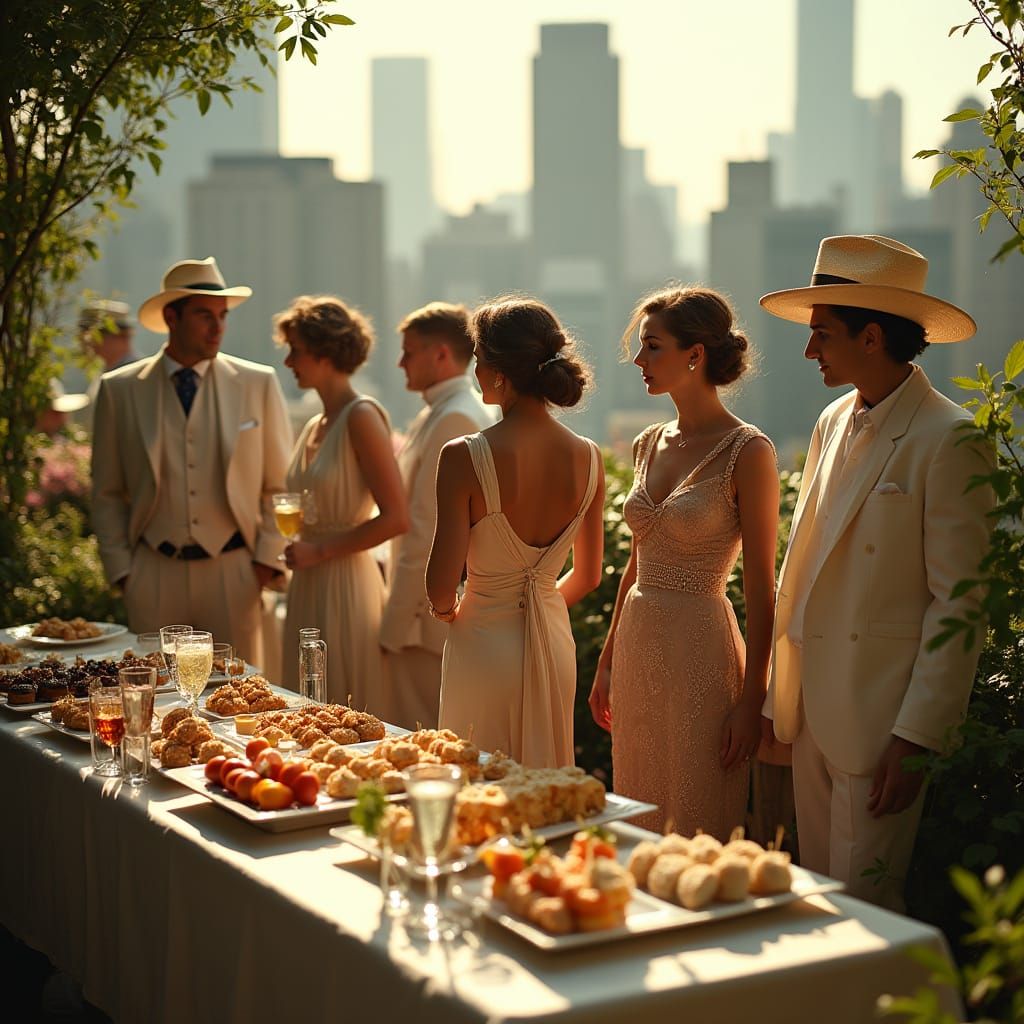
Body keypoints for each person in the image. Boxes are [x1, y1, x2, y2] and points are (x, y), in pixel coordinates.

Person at [759, 234, 994, 910]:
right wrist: (781, 701)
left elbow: (960, 604)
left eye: (821, 334)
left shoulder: (951, 438)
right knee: (816, 913)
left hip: (881, 723)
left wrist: (918, 736)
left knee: (868, 914)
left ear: (870, 338)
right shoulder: (833, 418)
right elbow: (806, 565)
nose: (809, 351)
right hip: (810, 716)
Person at [589, 287, 779, 839]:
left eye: (652, 347)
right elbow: (636, 562)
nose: (638, 360)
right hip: (638, 646)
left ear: (695, 355)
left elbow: (762, 588)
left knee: (700, 820)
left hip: (702, 647)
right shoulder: (649, 443)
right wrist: (605, 661)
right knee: (638, 816)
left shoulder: (750, 451)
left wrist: (752, 700)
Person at [427, 297, 605, 767]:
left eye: (478, 361)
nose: (474, 373)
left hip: (483, 644)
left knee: (477, 784)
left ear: (499, 373)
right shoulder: (589, 456)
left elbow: (440, 589)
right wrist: (536, 605)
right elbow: (587, 576)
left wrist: (464, 611)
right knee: (544, 787)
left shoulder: (463, 455)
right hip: (553, 640)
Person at [91, 257, 293, 667]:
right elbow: (106, 491)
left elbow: (279, 486)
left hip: (234, 571)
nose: (218, 327)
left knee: (239, 698)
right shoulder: (120, 390)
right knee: (155, 696)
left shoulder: (258, 383)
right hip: (152, 572)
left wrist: (261, 566)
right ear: (171, 317)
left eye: (222, 316)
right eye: (204, 315)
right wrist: (125, 575)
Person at [276, 296, 409, 711]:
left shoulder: (361, 417)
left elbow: (397, 517)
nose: (288, 362)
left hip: (346, 582)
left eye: (295, 350)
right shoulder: (317, 422)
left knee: (343, 705)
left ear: (325, 352)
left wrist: (320, 550)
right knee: (305, 704)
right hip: (308, 580)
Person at [380, 302, 495, 729]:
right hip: (423, 617)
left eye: (409, 352)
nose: (400, 362)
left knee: (422, 743)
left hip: (424, 625)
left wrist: (393, 625)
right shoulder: (441, 410)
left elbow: (427, 529)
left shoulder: (457, 416)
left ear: (441, 354)